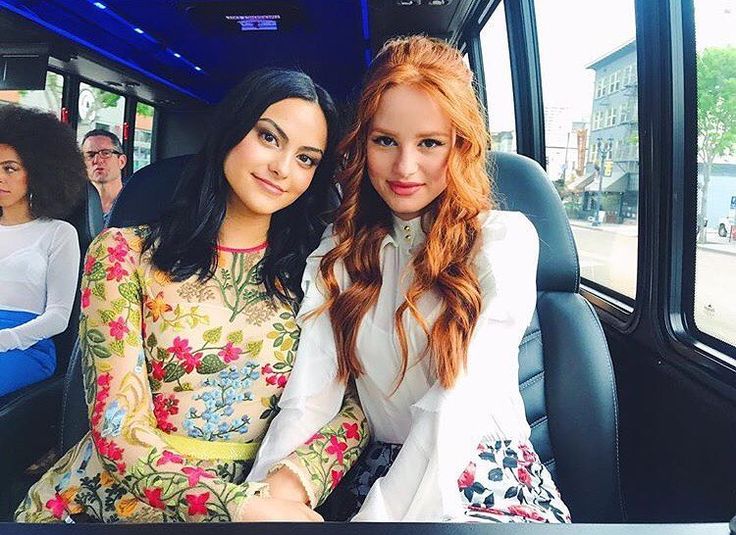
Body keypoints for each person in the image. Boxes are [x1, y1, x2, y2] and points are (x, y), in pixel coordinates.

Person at [15, 69, 368, 523]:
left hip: (267, 497)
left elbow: (359, 405)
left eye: (306, 158)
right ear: (230, 133)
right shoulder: (123, 254)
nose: (283, 168)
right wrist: (238, 507)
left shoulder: (325, 272)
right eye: (268, 137)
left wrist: (293, 483)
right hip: (110, 502)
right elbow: (118, 429)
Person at [248, 36, 571, 523]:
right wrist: (261, 500)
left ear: (461, 146)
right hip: (373, 471)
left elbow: (456, 404)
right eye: (385, 141)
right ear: (363, 143)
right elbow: (309, 396)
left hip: (482, 473)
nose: (404, 167)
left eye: (429, 144)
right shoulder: (338, 248)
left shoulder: (503, 242)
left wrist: (379, 522)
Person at [0, 105, 86, 396]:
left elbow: (59, 317)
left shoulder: (59, 233)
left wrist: (5, 338)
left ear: (37, 172)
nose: (0, 177)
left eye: (10, 168)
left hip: (27, 346)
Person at [81, 129, 126, 219]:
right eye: (90, 155)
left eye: (105, 153)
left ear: (121, 161)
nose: (97, 160)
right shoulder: (73, 206)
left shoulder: (138, 203)